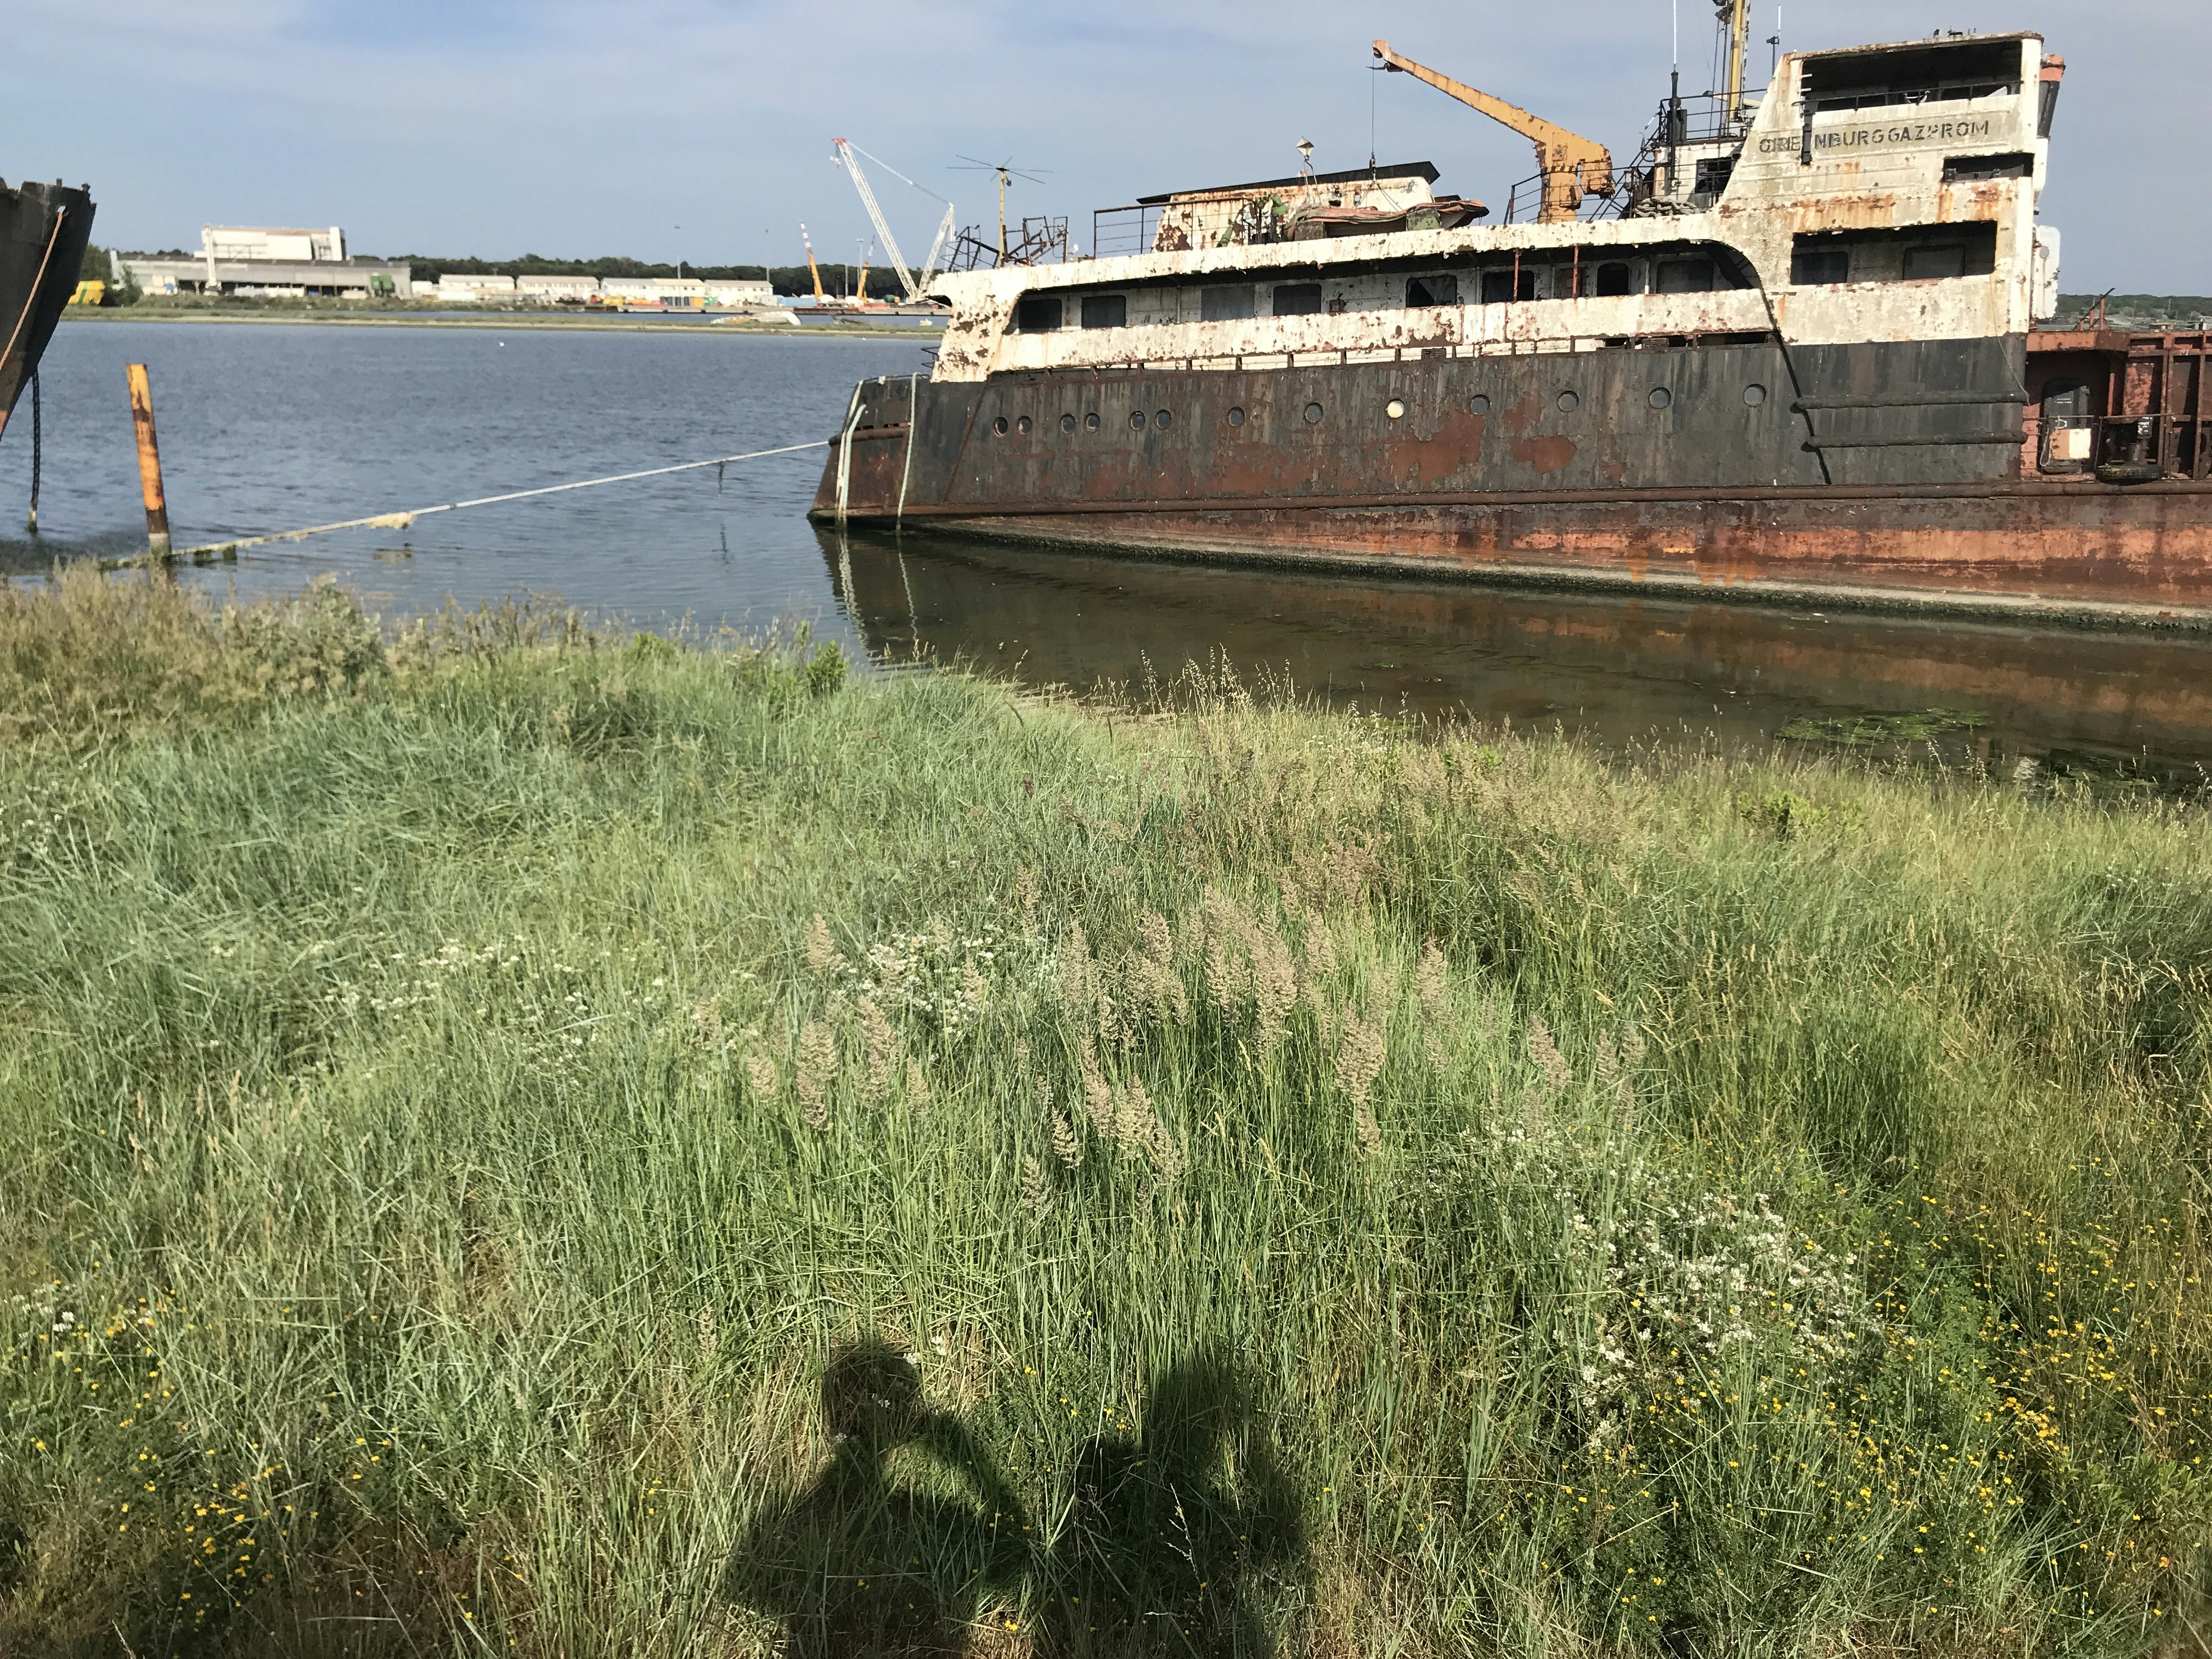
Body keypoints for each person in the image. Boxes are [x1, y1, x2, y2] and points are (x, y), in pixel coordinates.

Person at [727, 1342, 1030, 1657]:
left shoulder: (791, 1513)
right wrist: (978, 1468)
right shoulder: (921, 1508)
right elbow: (1008, 1572)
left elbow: (749, 1591)